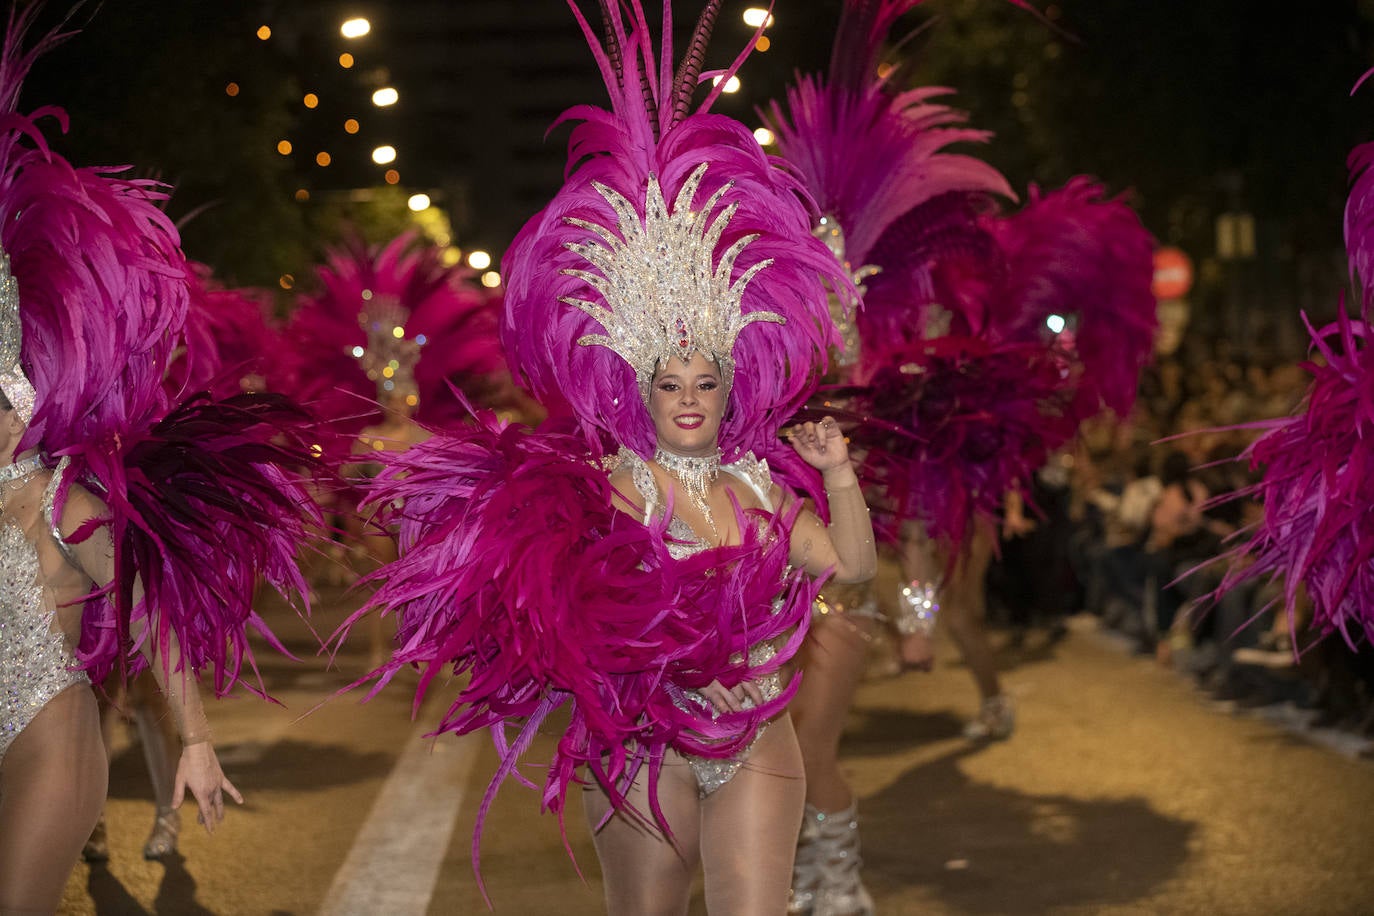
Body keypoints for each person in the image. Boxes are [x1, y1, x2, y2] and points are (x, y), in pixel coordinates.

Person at [340, 4, 874, 913]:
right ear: (643, 393)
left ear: (729, 386)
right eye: (672, 385)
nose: (693, 398)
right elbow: (541, 591)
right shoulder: (608, 490)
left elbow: (853, 569)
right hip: (642, 743)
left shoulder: (758, 486)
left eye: (707, 381)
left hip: (758, 735)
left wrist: (836, 473)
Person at [0, 11, 319, 909]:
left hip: (49, 739)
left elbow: (153, 620)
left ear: (27, 406)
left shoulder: (69, 502)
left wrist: (194, 740)